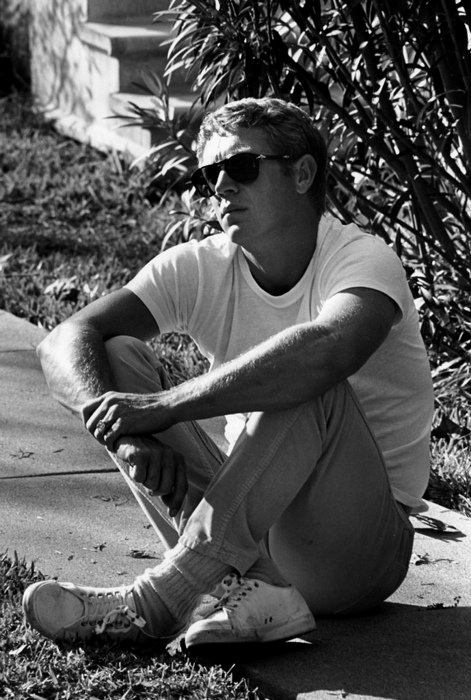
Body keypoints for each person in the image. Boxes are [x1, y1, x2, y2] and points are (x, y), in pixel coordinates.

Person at [23, 97, 434, 649]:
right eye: (209, 174)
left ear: (302, 173)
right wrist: (126, 434)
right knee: (115, 355)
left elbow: (330, 350)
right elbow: (64, 340)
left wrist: (164, 407)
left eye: (241, 167)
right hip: (246, 522)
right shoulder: (203, 265)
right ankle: (256, 588)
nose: (220, 187)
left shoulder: (363, 258)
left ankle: (162, 599)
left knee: (309, 377)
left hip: (355, 550)